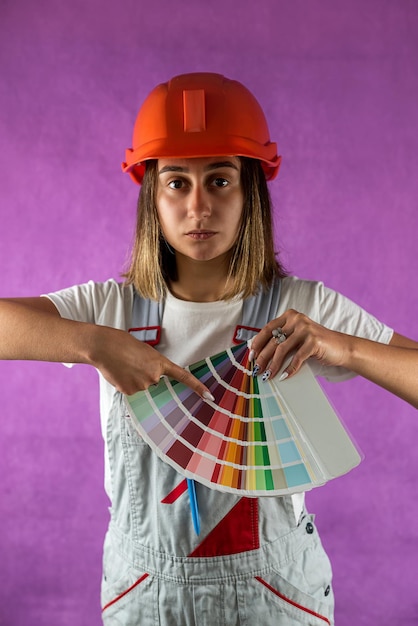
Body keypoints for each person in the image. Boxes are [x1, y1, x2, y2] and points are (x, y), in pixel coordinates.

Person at [1, 72, 417, 625]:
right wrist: (95, 343)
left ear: (251, 192)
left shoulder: (299, 306)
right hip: (143, 598)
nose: (198, 207)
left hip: (275, 597)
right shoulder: (111, 309)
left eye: (220, 181)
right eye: (177, 182)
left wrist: (345, 348)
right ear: (152, 192)